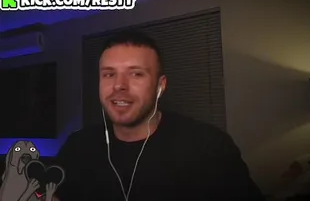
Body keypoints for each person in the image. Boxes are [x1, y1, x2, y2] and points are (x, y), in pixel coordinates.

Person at [53, 31, 263, 201]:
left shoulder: (209, 147)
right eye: (109, 74)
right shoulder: (76, 147)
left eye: (136, 74)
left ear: (160, 86)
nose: (118, 85)